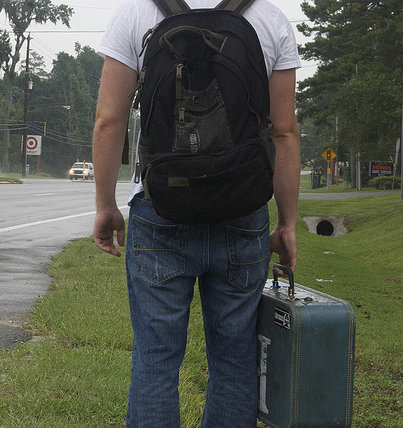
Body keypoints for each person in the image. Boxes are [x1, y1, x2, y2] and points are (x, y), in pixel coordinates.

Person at [92, 0, 301, 426]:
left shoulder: (136, 14)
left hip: (160, 210)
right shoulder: (271, 20)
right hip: (242, 212)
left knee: (156, 355)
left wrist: (105, 205)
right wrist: (287, 222)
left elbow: (109, 121)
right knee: (235, 357)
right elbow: (283, 132)